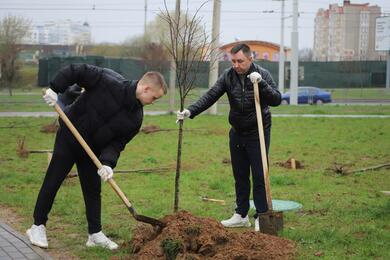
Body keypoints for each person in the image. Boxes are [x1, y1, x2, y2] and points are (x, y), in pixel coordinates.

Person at [26, 63, 167, 250]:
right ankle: (37, 226)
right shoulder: (107, 80)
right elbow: (76, 70)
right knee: (53, 181)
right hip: (70, 135)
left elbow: (117, 143)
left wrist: (108, 163)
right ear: (146, 88)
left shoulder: (136, 117)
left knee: (93, 191)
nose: (153, 101)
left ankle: (95, 234)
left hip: (92, 150)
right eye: (154, 97)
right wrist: (55, 88)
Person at [177, 43, 281, 230]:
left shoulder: (262, 74)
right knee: (240, 174)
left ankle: (261, 215)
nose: (236, 65)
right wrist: (190, 111)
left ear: (251, 59)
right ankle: (241, 214)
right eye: (233, 61)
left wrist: (261, 84)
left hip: (258, 131)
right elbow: (210, 96)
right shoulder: (228, 76)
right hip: (237, 132)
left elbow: (277, 100)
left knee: (259, 175)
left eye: (240, 61)